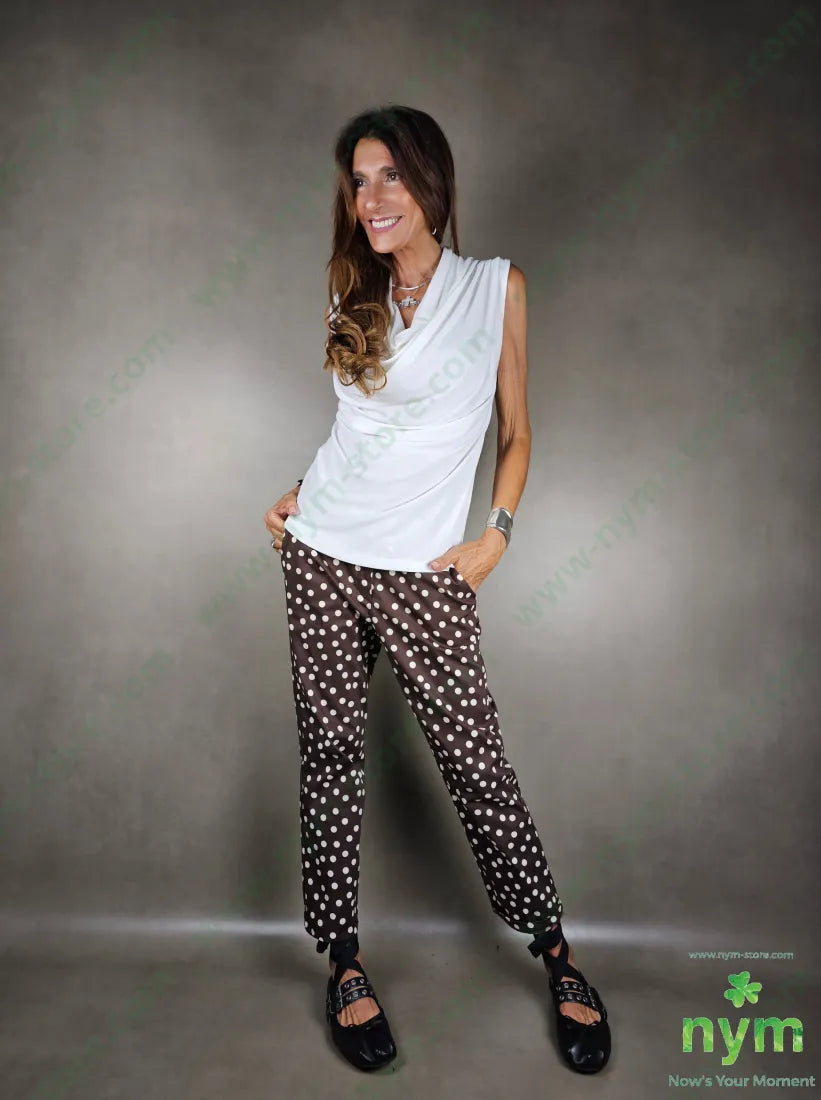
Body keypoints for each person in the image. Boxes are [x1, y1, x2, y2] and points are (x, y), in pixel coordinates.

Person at [264, 105, 610, 1075]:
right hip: (322, 556)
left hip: (424, 574)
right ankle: (343, 961)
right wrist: (301, 491)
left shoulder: (496, 288)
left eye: (389, 176)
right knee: (330, 757)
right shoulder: (349, 287)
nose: (371, 198)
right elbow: (360, 430)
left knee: (475, 763)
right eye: (358, 180)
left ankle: (555, 949)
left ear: (430, 183)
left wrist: (495, 533)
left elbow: (518, 431)